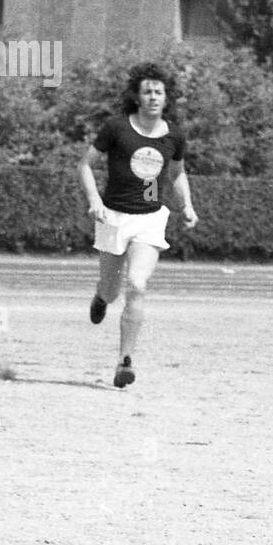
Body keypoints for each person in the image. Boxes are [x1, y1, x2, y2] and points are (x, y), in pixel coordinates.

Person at [78, 63, 198, 388]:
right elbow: (85, 165)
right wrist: (95, 201)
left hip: (151, 219)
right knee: (112, 289)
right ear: (136, 96)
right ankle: (101, 298)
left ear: (166, 97)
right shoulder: (117, 128)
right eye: (147, 91)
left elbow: (177, 173)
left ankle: (124, 361)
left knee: (137, 283)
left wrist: (186, 205)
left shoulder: (174, 135)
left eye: (159, 92)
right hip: (114, 217)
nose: (153, 97)